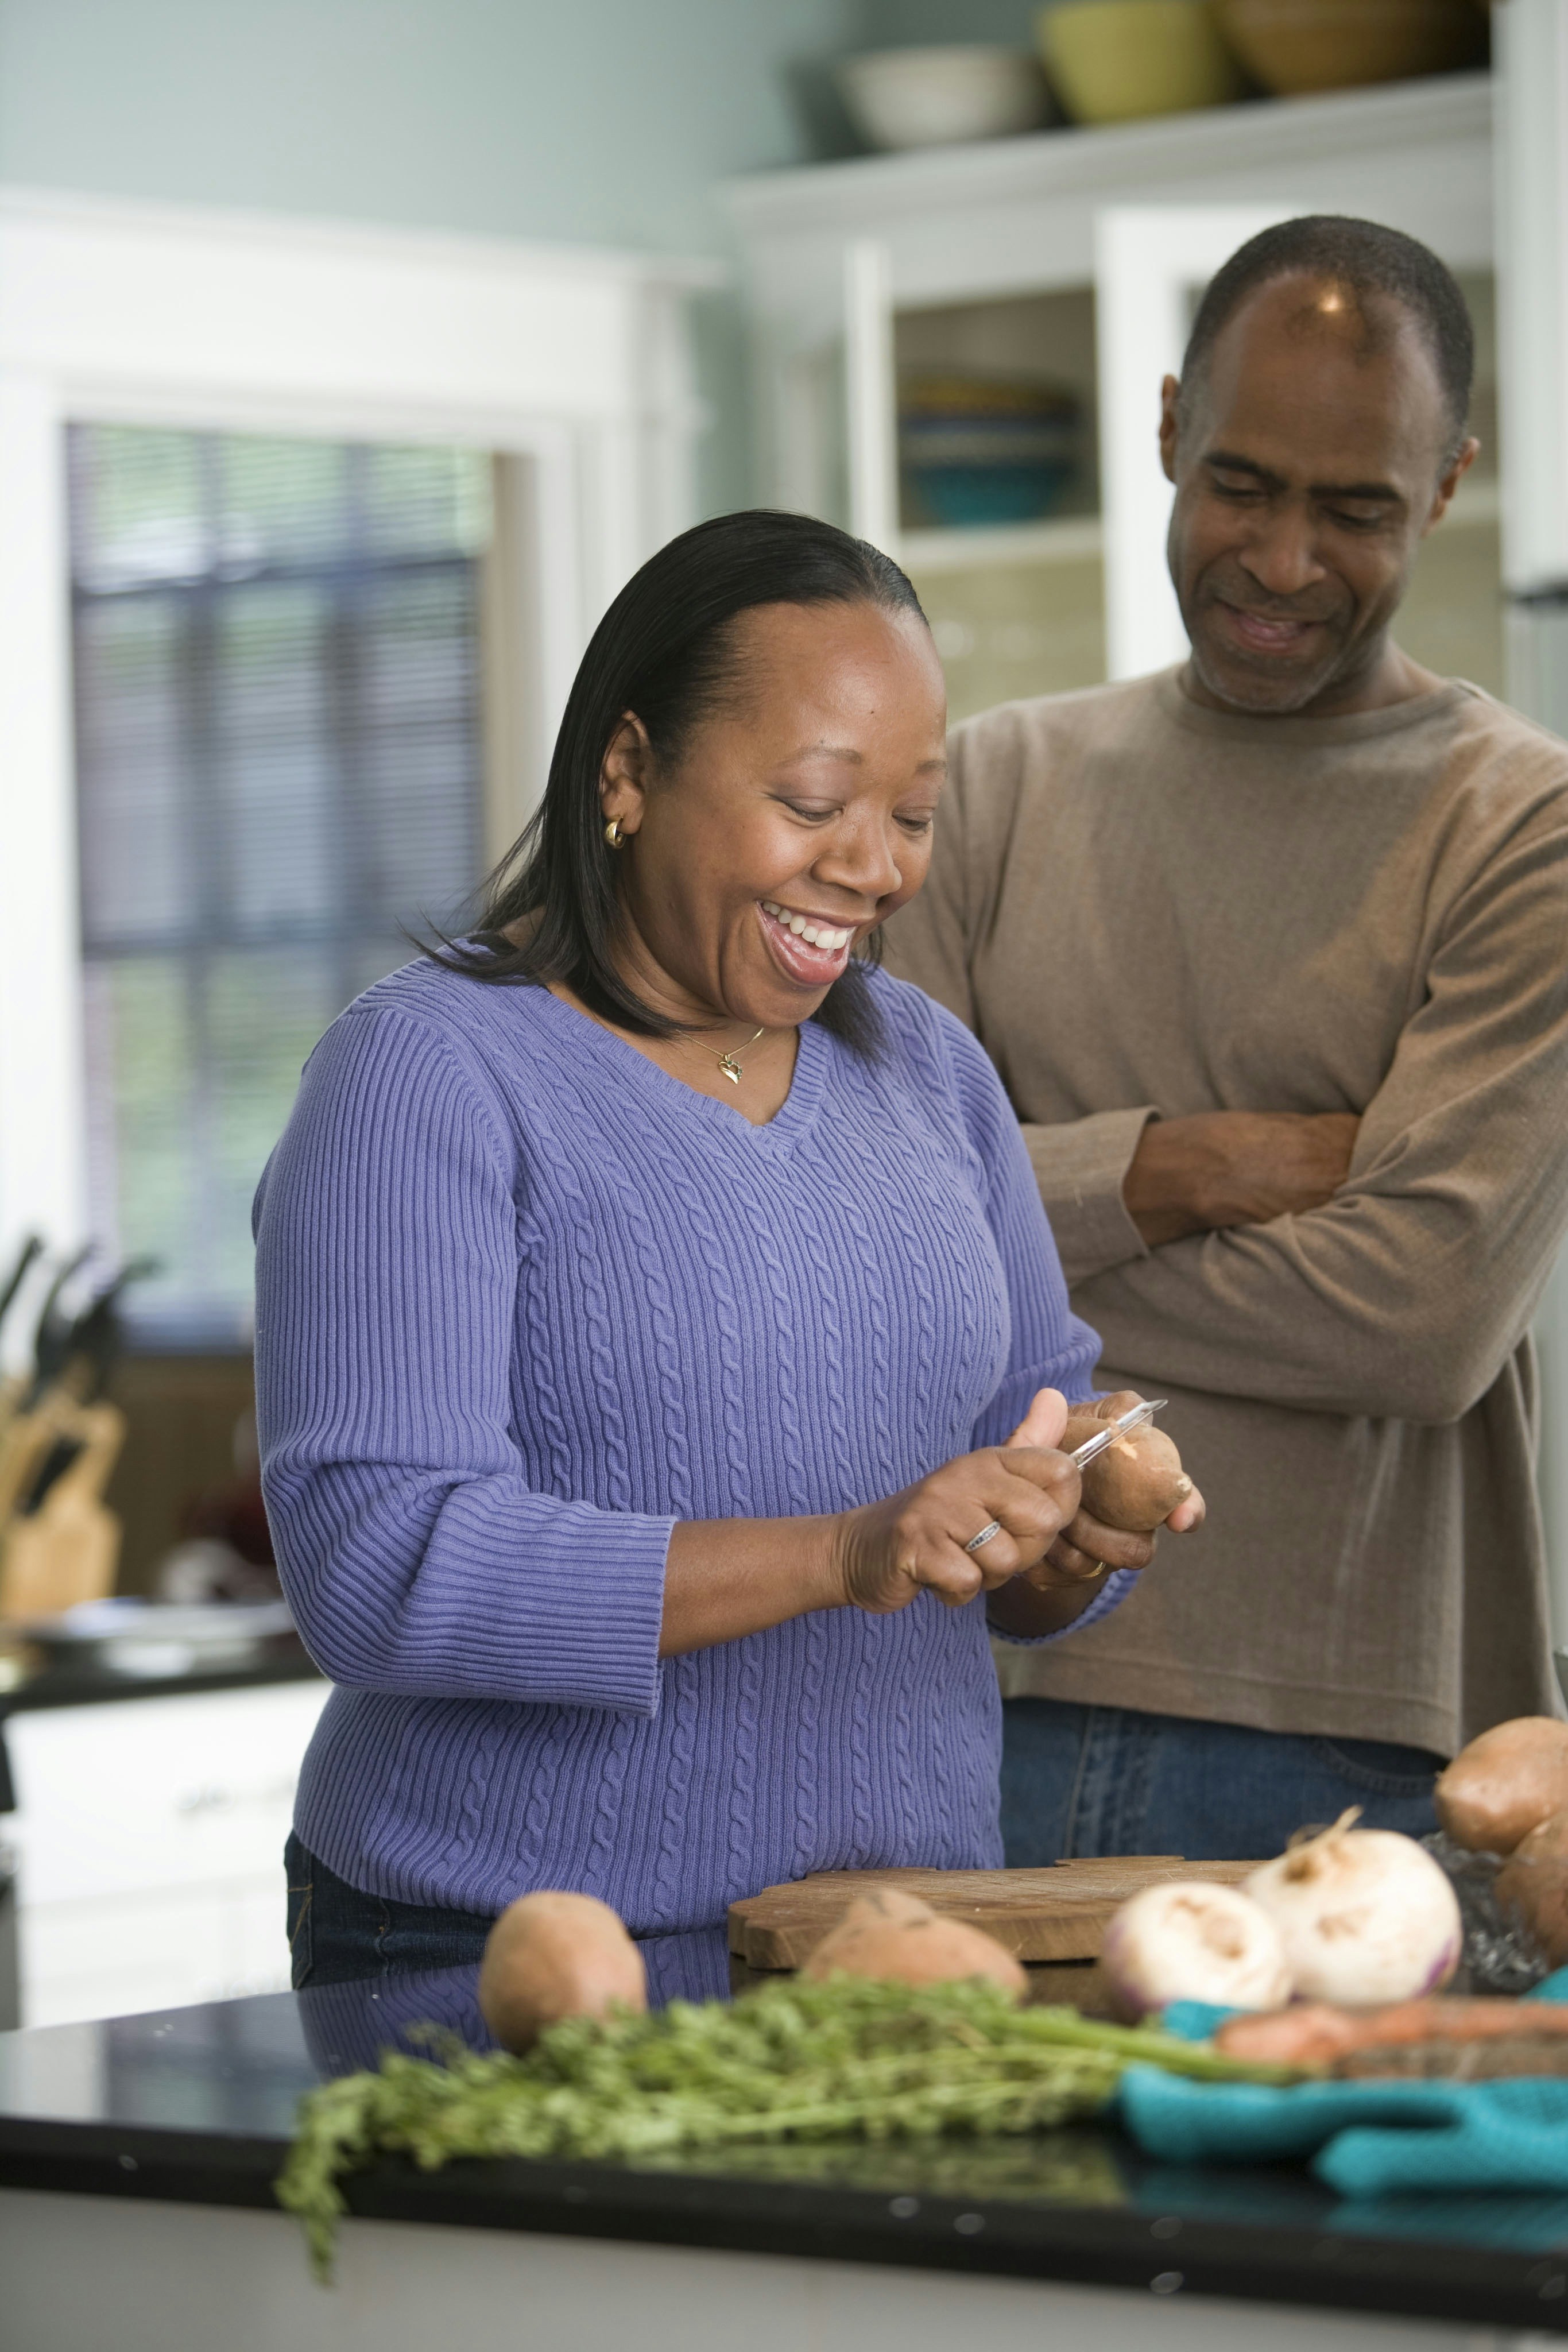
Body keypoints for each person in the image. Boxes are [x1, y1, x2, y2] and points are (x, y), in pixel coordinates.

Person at [254, 510, 1204, 1987]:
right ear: (627, 770)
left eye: (913, 812)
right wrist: (843, 1547)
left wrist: (1069, 1524)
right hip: (506, 1946)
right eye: (817, 799)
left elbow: (1016, 1483)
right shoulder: (428, 1076)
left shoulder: (930, 1070)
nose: (877, 867)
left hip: (895, 1945)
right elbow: (380, 1565)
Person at [884, 215, 1568, 1866]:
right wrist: (1187, 1167)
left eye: (1355, 510)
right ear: (1170, 424)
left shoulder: (1519, 827)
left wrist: (1017, 1219)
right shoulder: (981, 789)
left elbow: (1417, 1322)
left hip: (1355, 1744)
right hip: (958, 1685)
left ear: (1449, 483)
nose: (1277, 559)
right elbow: (869, 1245)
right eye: (1243, 484)